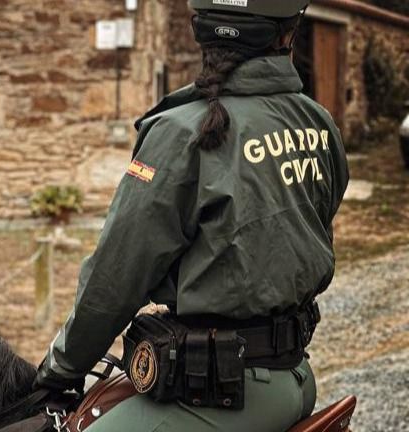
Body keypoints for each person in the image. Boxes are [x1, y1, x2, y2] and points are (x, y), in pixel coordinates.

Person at [34, 1, 350, 431]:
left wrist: (60, 370)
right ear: (287, 35)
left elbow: (117, 277)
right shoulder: (318, 122)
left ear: (200, 32)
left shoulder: (180, 131)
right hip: (295, 376)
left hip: (221, 397)